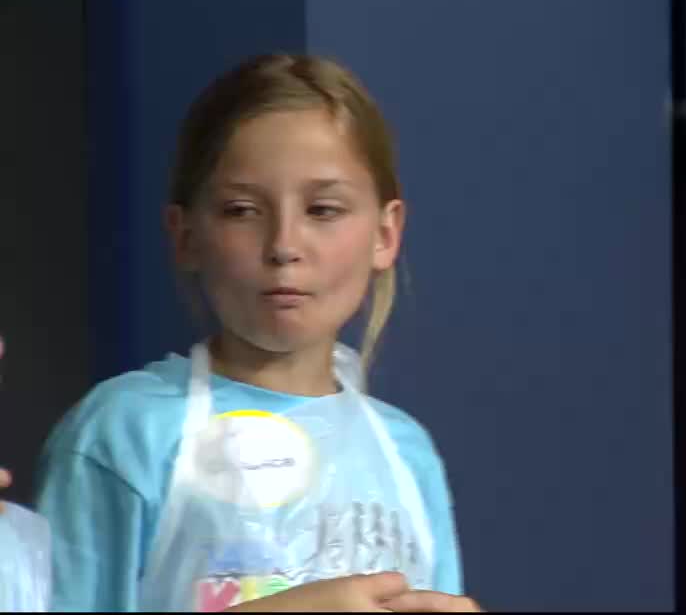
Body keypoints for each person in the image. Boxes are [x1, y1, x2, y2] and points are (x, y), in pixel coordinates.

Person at [34, 54, 478, 612]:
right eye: (242, 210)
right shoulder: (123, 435)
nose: (284, 245)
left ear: (385, 234)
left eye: (323, 209)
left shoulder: (406, 454)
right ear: (186, 235)